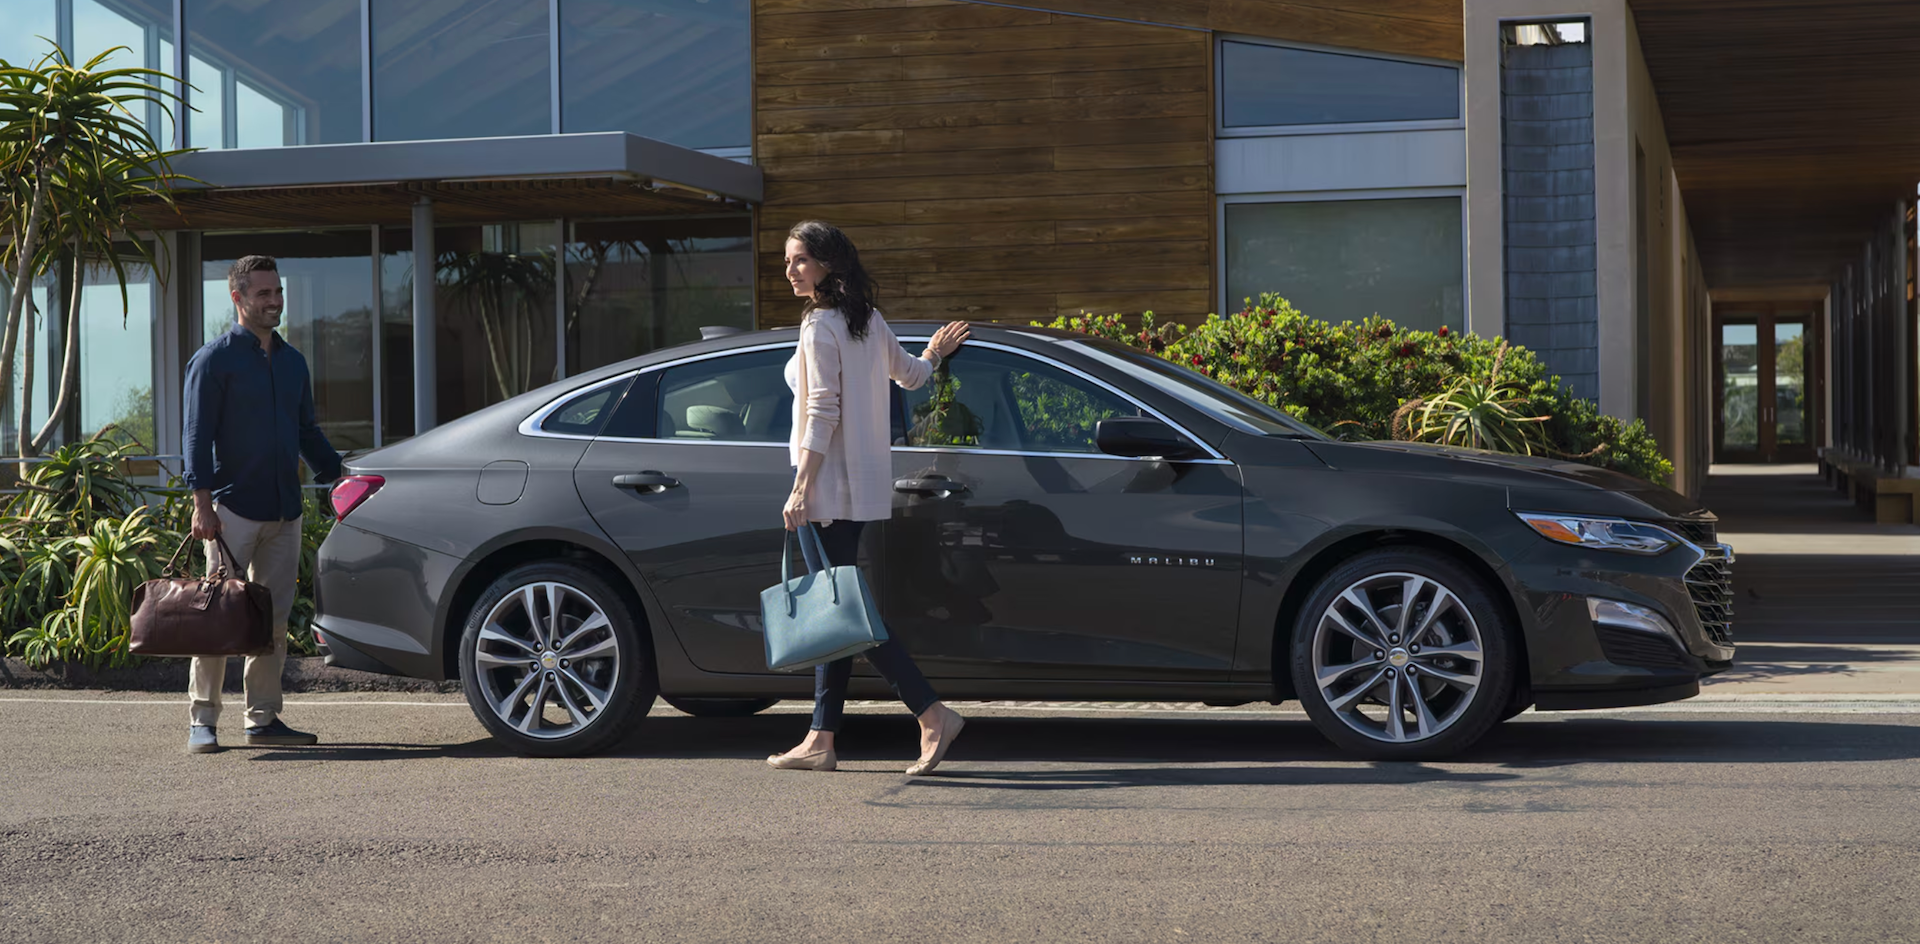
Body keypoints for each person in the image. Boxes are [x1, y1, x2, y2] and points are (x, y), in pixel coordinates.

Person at [766, 220, 971, 775]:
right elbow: (911, 376)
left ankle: (931, 713)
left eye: (800, 260)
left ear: (828, 263)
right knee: (835, 611)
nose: (789, 271)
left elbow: (821, 410)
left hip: (826, 488)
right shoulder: (868, 320)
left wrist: (801, 487)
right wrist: (935, 352)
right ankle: (821, 738)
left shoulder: (820, 326)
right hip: (860, 489)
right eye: (787, 261)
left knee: (844, 615)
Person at [180, 255, 342, 754]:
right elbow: (195, 437)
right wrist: (202, 504)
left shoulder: (293, 362)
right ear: (238, 298)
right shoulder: (213, 361)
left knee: (272, 620)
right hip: (230, 512)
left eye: (278, 292)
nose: (275, 301)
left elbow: (307, 433)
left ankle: (263, 719)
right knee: (218, 617)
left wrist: (340, 479)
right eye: (264, 293)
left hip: (284, 511)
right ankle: (202, 721)